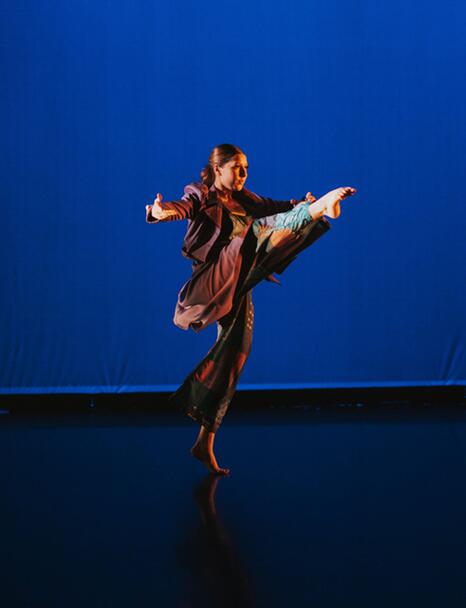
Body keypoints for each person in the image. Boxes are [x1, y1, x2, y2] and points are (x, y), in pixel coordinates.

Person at [145, 143, 356, 475]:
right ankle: (321, 210)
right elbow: (182, 207)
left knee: (235, 353)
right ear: (218, 169)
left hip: (237, 280)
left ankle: (204, 443)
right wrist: (161, 212)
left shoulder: (245, 199)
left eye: (246, 168)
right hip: (214, 277)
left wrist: (301, 204)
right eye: (236, 168)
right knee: (257, 232)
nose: (243, 174)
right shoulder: (201, 195)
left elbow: (277, 207)